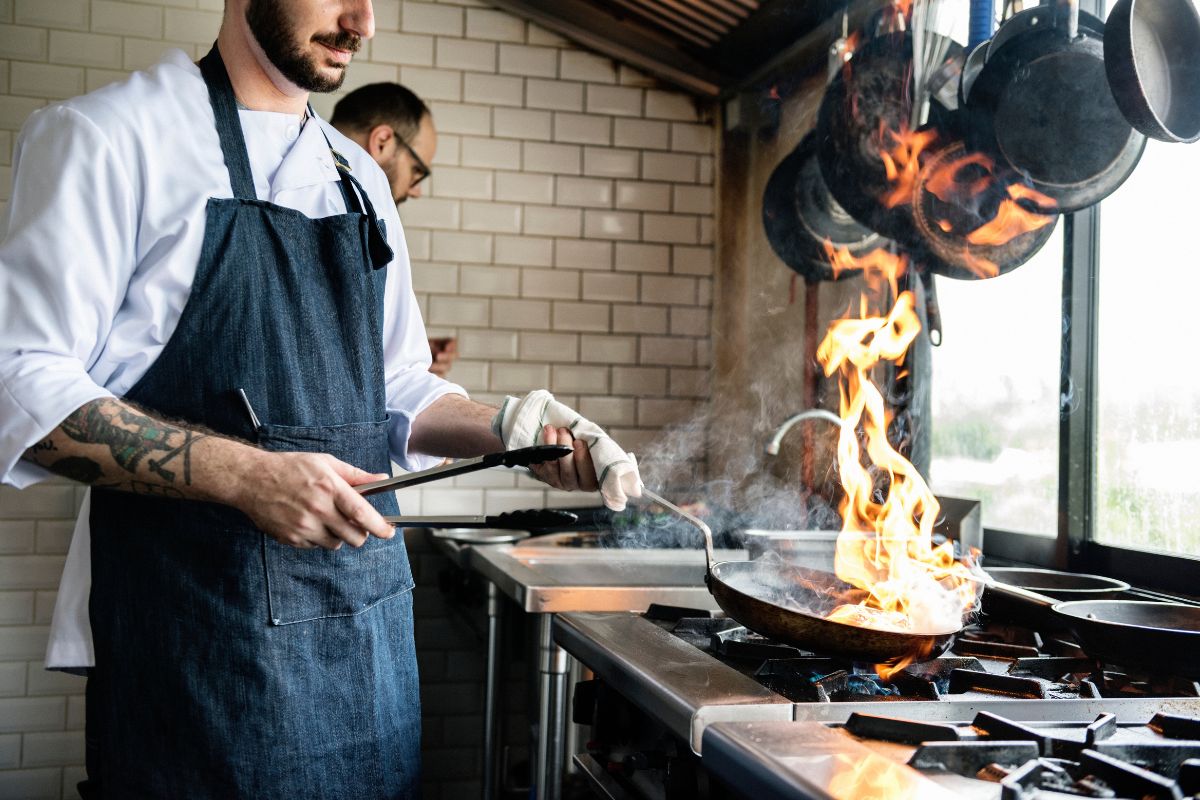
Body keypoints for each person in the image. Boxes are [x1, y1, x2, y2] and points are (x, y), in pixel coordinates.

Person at [0, 1, 640, 797]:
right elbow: (18, 385)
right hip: (197, 655)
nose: (362, 21)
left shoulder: (358, 178)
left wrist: (511, 427)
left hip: (364, 653)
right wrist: (247, 477)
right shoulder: (110, 139)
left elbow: (396, 385)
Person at [331, 82, 456, 377]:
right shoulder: (337, 216)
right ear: (383, 141)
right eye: (417, 171)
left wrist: (403, 357)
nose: (416, 191)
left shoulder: (369, 221)